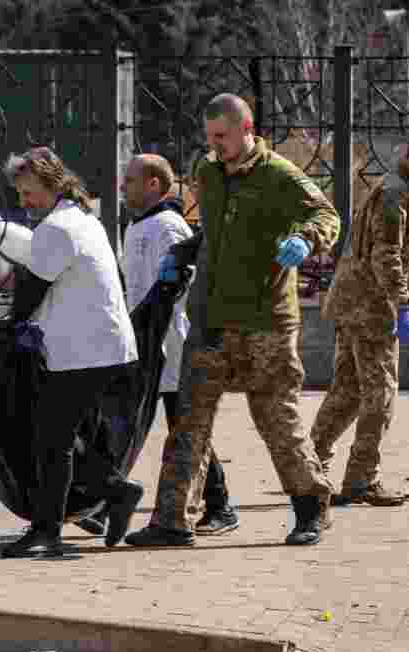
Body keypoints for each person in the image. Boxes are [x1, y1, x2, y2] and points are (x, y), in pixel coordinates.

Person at [124, 93, 340, 548]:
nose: (215, 145)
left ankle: (311, 509)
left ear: (247, 129)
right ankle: (172, 521)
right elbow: (212, 234)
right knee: (189, 421)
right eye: (209, 137)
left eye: (221, 136)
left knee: (275, 418)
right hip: (210, 319)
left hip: (266, 321)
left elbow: (325, 214)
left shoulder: (278, 175)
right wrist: (182, 254)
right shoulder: (208, 174)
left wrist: (306, 238)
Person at [1, 146, 142, 558]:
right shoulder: (83, 219)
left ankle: (49, 531)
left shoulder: (57, 228)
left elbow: (30, 291)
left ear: (50, 185)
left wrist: (10, 329)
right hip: (104, 345)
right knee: (59, 434)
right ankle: (114, 491)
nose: (24, 202)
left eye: (29, 193)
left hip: (84, 350)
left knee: (52, 439)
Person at [310, 126, 409, 506]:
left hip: (354, 302)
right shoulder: (396, 193)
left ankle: (308, 468)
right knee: (381, 394)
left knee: (346, 391)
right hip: (372, 308)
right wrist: (404, 304)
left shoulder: (396, 187)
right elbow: (386, 255)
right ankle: (361, 479)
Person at [116, 153, 239, 536]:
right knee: (142, 424)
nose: (123, 186)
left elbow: (184, 288)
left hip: (174, 345)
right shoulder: (137, 227)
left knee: (184, 427)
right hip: (147, 345)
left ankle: (219, 505)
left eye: (131, 180)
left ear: (154, 184)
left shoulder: (169, 227)